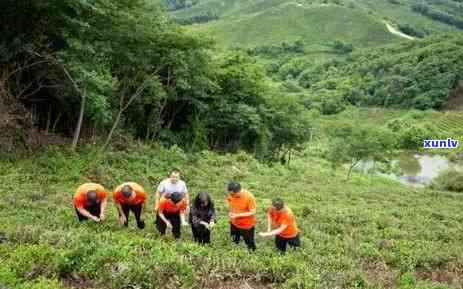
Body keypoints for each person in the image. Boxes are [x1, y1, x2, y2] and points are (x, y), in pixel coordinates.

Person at [226, 181, 257, 251]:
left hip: (246, 225)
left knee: (249, 242)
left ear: (238, 191)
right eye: (230, 194)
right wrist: (230, 212)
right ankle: (234, 250)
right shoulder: (231, 195)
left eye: (233, 194)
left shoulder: (249, 197)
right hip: (234, 223)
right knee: (234, 239)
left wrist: (237, 215)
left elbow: (253, 212)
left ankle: (252, 252)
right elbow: (230, 202)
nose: (231, 196)